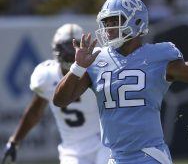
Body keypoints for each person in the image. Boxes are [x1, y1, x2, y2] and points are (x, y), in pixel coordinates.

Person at [53, 0, 188, 164]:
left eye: (115, 21)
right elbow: (60, 100)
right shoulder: (96, 60)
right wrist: (77, 68)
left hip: (149, 155)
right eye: (106, 22)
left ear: (136, 21)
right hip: (115, 157)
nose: (109, 29)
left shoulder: (158, 56)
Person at [1, 24, 110, 164]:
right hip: (72, 148)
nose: (71, 52)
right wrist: (14, 140)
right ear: (56, 49)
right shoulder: (47, 75)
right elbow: (35, 111)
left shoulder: (97, 69)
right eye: (66, 47)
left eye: (75, 46)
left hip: (103, 141)